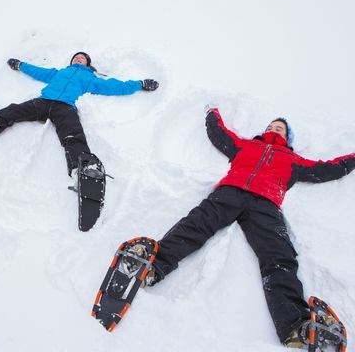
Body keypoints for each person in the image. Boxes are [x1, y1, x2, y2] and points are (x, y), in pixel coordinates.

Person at [145, 108, 355, 348]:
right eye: (271, 126)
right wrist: (212, 113)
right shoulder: (245, 145)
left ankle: (295, 326)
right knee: (195, 225)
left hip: (265, 205)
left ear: (287, 137)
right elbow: (220, 135)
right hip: (230, 192)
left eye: (280, 128)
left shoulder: (294, 161)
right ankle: (152, 267)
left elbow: (328, 169)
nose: (274, 129)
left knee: (278, 256)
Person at [0, 52, 159, 177]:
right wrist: (20, 65)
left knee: (72, 134)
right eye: (75, 57)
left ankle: (82, 170)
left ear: (88, 63)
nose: (78, 58)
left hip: (65, 107)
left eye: (82, 57)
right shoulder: (59, 72)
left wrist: (140, 84)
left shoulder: (90, 78)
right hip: (43, 102)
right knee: (11, 112)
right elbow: (38, 71)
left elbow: (116, 87)